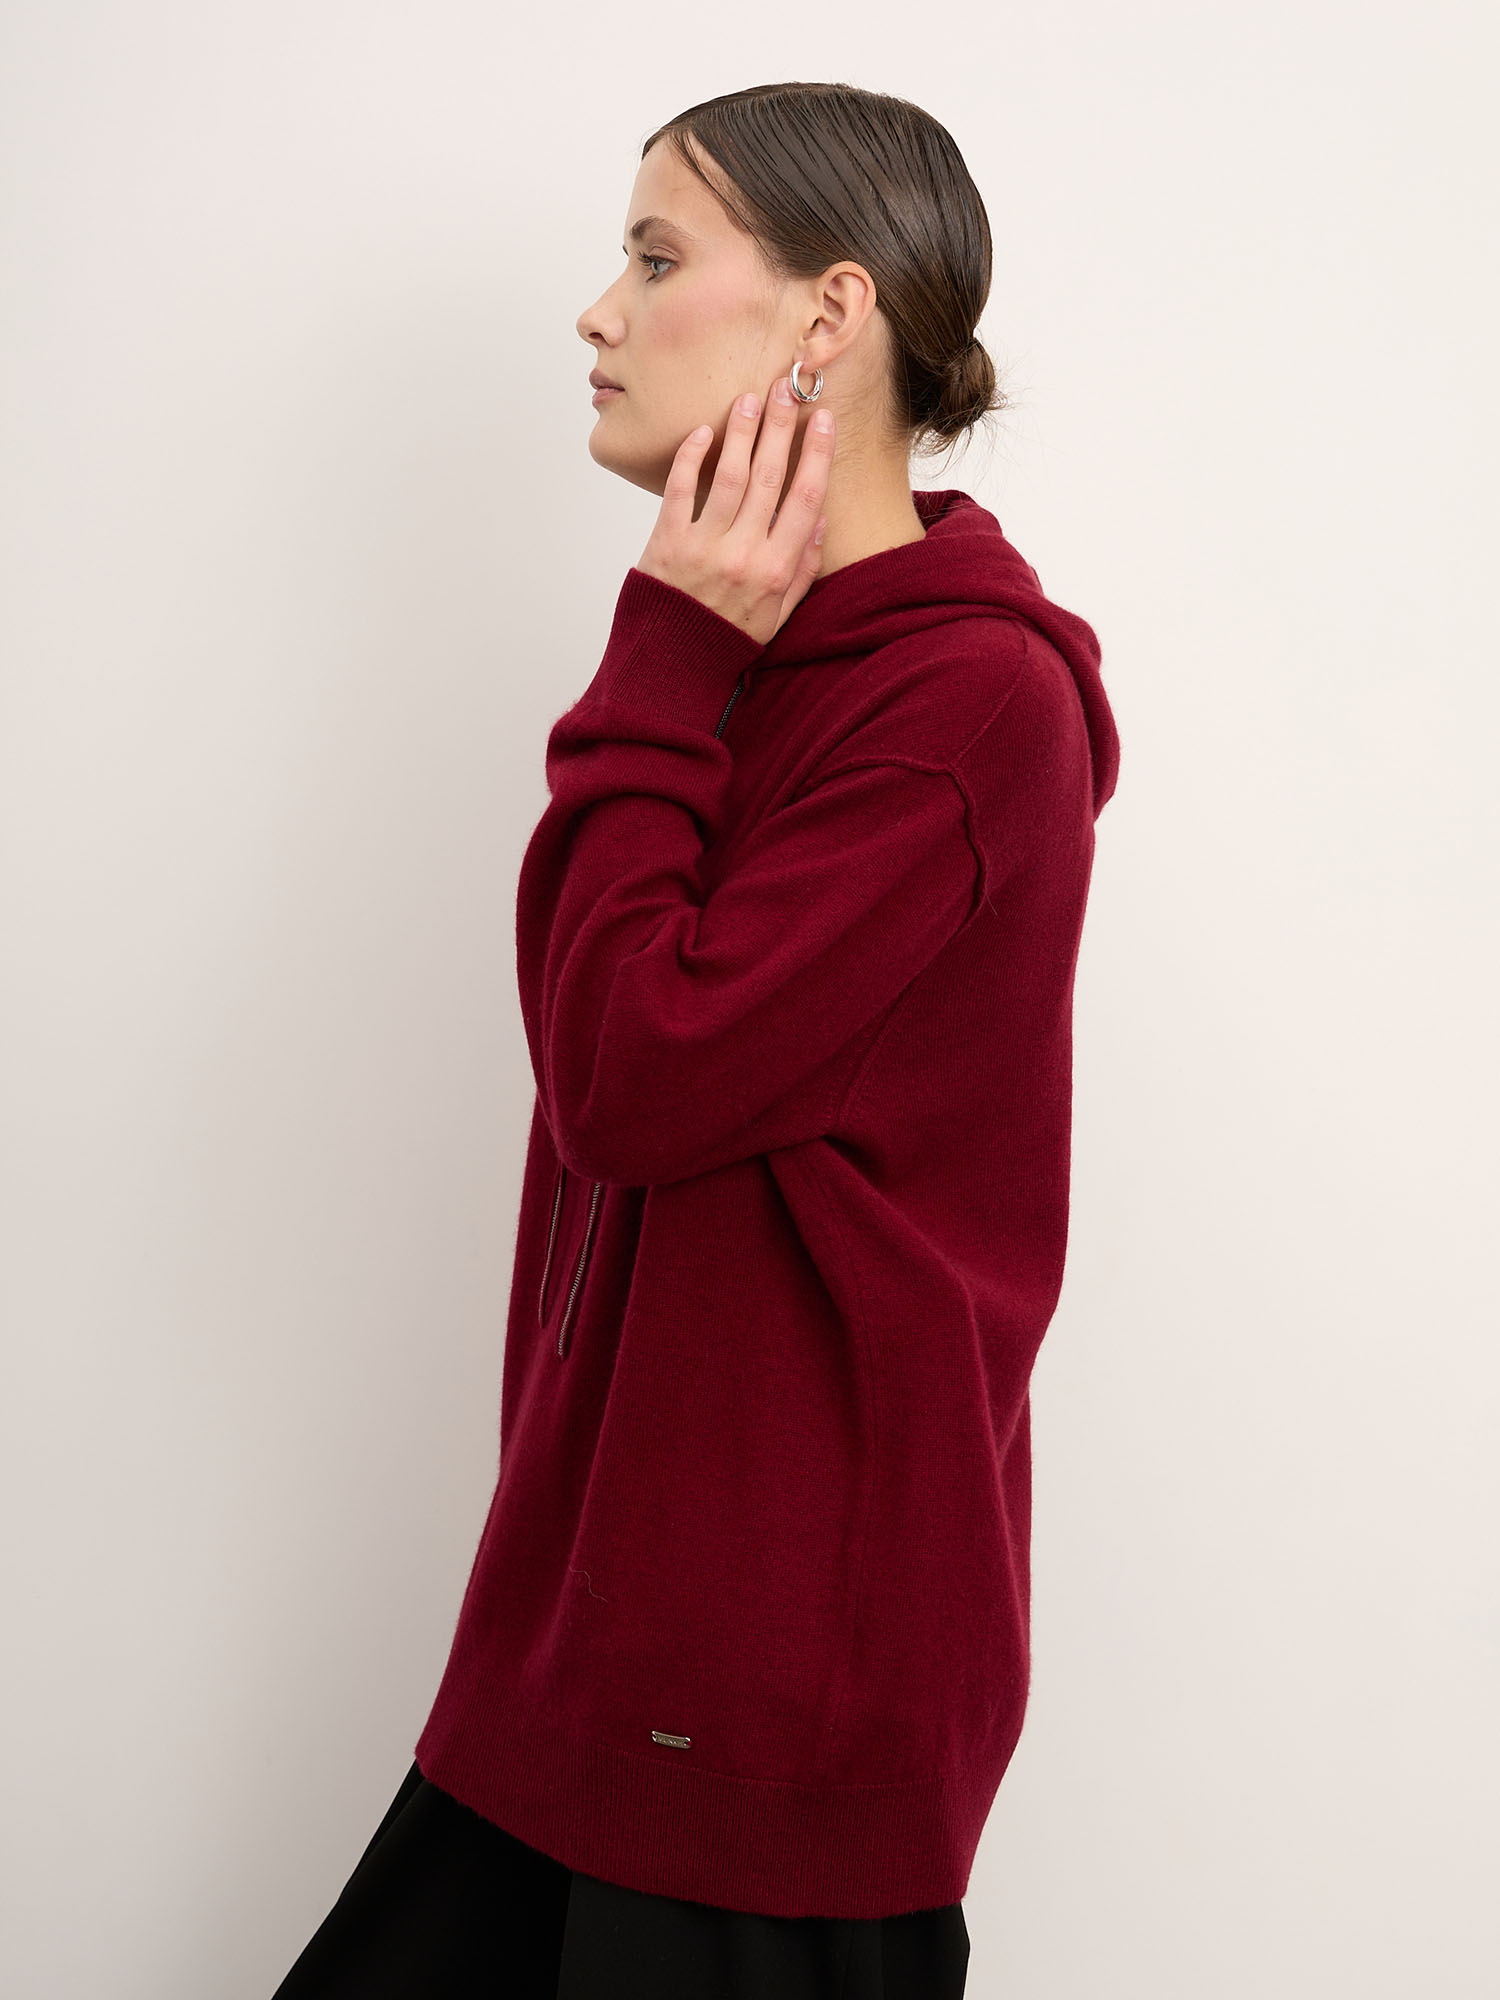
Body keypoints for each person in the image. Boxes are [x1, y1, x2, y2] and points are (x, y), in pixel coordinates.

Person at [272, 78, 1120, 1999]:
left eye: (657, 259)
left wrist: (664, 653)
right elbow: (607, 1052)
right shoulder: (745, 658)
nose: (600, 311)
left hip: (773, 1708)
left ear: (830, 314)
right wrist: (689, 658)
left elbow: (631, 1074)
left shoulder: (971, 708)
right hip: (582, 1644)